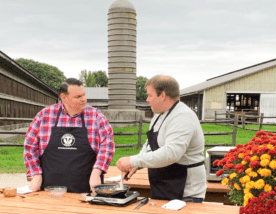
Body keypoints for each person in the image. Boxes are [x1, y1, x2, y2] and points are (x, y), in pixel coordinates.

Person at [117, 75, 206, 203]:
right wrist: (135, 166)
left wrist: (134, 161)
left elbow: (171, 153)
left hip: (186, 193)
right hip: (163, 188)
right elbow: (149, 146)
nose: (147, 100)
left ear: (162, 95)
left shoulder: (182, 117)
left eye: (150, 95)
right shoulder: (158, 116)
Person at [24, 78, 115, 195]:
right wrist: (36, 174)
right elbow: (29, 147)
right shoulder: (44, 115)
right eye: (78, 97)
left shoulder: (96, 117)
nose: (84, 99)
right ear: (64, 97)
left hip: (86, 192)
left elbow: (108, 145)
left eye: (84, 95)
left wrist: (97, 172)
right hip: (49, 193)